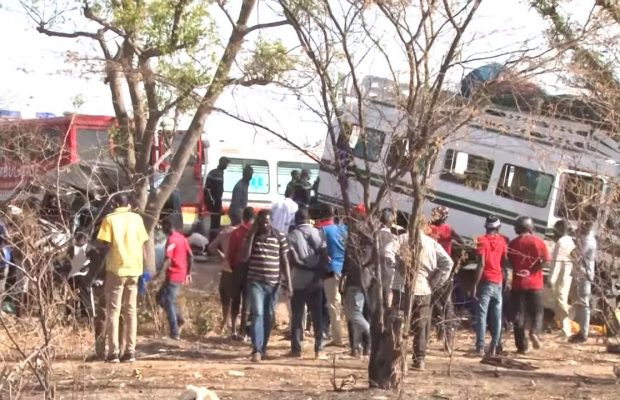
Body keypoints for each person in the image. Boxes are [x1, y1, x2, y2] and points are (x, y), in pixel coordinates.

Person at [97, 194, 149, 363]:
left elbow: (104, 244)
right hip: (135, 269)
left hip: (117, 269)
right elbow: (143, 244)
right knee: (131, 311)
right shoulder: (137, 219)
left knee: (113, 311)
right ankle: (130, 351)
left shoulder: (110, 219)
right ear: (129, 204)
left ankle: (113, 352)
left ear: (114, 204)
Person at [241, 210, 292, 362]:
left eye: (267, 221)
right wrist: (251, 235)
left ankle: (263, 348)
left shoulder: (279, 236)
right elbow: (244, 257)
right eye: (261, 221)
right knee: (257, 313)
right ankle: (256, 349)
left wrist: (289, 282)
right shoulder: (253, 236)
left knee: (268, 316)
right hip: (255, 281)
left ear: (271, 221)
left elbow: (285, 260)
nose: (264, 224)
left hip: (274, 283)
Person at [409, 221, 454, 370]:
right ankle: (420, 358)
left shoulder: (404, 239)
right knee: (424, 322)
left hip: (406, 288)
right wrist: (437, 282)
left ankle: (398, 355)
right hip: (425, 287)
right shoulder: (433, 243)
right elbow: (448, 262)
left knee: (402, 321)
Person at [287, 207, 328, 358]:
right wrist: (316, 274)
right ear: (308, 218)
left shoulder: (292, 235)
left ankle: (296, 349)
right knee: (317, 315)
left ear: (296, 220)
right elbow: (324, 256)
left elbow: (293, 260)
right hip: (315, 280)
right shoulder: (318, 233)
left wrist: (305, 267)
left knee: (297, 315)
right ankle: (319, 349)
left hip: (298, 279)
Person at [507, 216, 550, 354]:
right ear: (530, 227)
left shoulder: (513, 244)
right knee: (538, 312)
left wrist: (520, 270)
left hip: (518, 284)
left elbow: (510, 262)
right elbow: (546, 261)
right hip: (535, 284)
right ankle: (534, 332)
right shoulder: (539, 242)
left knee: (518, 315)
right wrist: (533, 270)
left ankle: (522, 347)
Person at [473, 215, 508, 356]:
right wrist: (506, 280)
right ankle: (494, 346)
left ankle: (480, 347)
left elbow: (481, 264)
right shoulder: (503, 241)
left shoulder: (481, 240)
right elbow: (505, 263)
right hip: (498, 281)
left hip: (486, 280)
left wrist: (475, 284)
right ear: (498, 227)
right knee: (497, 316)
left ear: (486, 227)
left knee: (482, 315)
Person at [428, 206, 463, 345]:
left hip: (431, 269)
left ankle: (433, 331)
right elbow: (462, 242)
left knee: (430, 301)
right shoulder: (449, 229)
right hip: (445, 269)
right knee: (446, 303)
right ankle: (446, 337)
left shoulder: (428, 228)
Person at [156, 215, 193, 340]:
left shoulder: (171, 240)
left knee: (168, 301)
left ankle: (175, 331)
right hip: (180, 274)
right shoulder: (182, 238)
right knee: (160, 298)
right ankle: (178, 318)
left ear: (168, 226)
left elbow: (168, 259)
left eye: (163, 226)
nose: (162, 229)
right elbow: (191, 256)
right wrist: (188, 272)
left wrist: (159, 273)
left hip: (174, 275)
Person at [317, 206, 348, 347]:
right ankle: (354, 340)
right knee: (348, 306)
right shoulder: (346, 230)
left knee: (334, 304)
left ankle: (338, 338)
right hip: (346, 270)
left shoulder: (324, 230)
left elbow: (320, 250)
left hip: (331, 270)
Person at [340, 228, 372, 358]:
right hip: (360, 283)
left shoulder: (362, 248)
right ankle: (357, 347)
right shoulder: (364, 248)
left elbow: (354, 264)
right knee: (355, 315)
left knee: (355, 314)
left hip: (357, 283)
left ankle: (369, 334)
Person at [226, 207, 256, 339]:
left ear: (243, 218)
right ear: (253, 218)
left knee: (236, 299)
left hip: (238, 268)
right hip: (252, 268)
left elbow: (230, 254)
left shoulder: (236, 233)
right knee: (248, 301)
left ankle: (233, 329)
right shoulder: (257, 233)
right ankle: (244, 331)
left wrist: (233, 266)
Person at [208, 211, 239, 333]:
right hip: (237, 269)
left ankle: (224, 323)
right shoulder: (241, 233)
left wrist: (222, 256)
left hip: (226, 268)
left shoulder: (224, 232)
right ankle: (234, 327)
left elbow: (211, 247)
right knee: (236, 298)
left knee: (225, 297)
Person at [569, 221, 597, 343]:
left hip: (584, 274)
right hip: (581, 273)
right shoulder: (587, 238)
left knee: (583, 303)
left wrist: (569, 251)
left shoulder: (587, 240)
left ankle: (583, 334)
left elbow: (576, 255)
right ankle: (578, 330)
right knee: (578, 302)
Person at [548, 219, 576, 337]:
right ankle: (560, 322)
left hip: (561, 276)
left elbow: (557, 263)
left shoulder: (561, 242)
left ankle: (566, 328)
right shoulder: (569, 240)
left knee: (560, 299)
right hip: (567, 274)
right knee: (560, 299)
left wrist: (551, 279)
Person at [205, 157, 230, 241]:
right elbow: (208, 188)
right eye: (226, 163)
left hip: (217, 201)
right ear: (221, 163)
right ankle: (212, 241)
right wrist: (213, 201)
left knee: (216, 224)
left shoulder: (219, 173)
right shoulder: (215, 173)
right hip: (215, 202)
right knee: (214, 224)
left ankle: (213, 241)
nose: (227, 166)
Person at [377, 209, 398, 309]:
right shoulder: (394, 238)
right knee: (386, 301)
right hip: (388, 270)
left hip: (373, 268)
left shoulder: (374, 234)